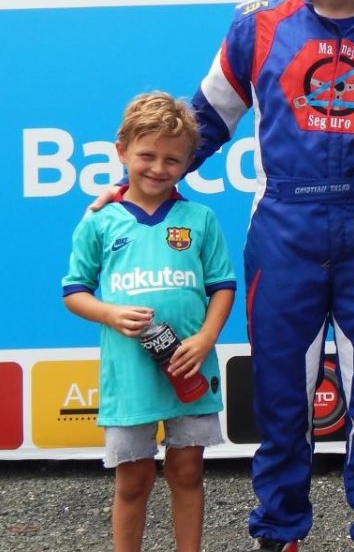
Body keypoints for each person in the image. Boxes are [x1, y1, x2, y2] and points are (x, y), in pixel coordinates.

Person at [90, 0, 354, 550]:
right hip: (285, 227)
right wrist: (132, 187)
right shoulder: (257, 25)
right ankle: (280, 530)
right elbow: (204, 120)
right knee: (283, 398)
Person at [63, 92, 236, 552]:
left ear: (187, 162)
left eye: (172, 159)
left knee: (186, 470)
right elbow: (74, 291)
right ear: (121, 151)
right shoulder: (100, 220)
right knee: (134, 477)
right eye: (146, 155)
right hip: (130, 373)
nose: (158, 167)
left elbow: (223, 286)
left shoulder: (200, 218)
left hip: (190, 366)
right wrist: (109, 313)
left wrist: (205, 337)